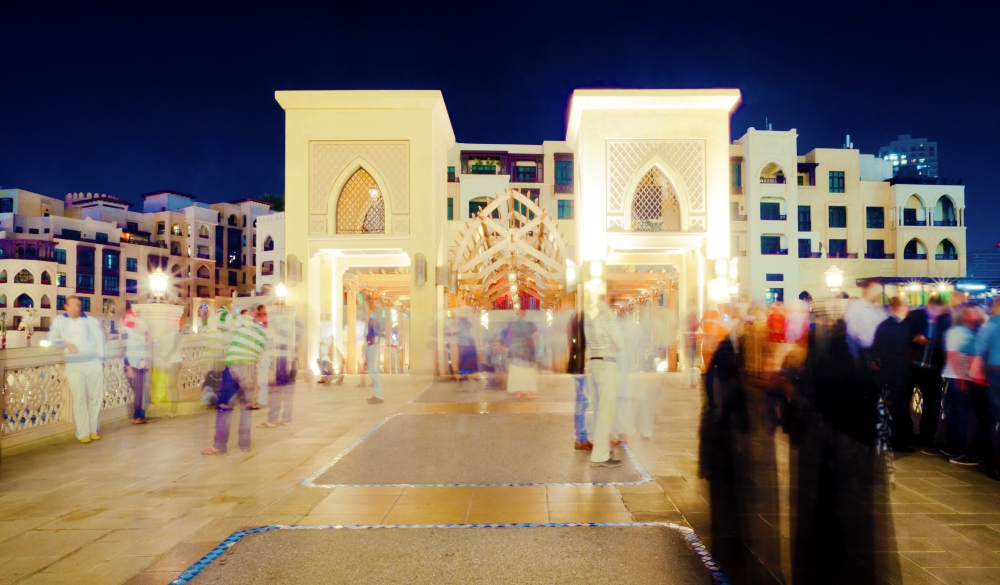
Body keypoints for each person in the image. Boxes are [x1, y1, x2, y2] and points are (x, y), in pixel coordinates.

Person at [203, 310, 267, 454]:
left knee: (224, 407)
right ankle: (244, 444)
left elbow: (219, 317)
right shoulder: (263, 335)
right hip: (250, 370)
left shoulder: (243, 323)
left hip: (234, 367)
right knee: (245, 409)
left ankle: (219, 445)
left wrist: (225, 310)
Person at [47, 295, 107, 443]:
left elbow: (100, 340)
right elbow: (51, 339)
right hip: (74, 366)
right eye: (73, 305)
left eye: (79, 305)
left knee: (95, 398)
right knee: (79, 399)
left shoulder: (91, 321)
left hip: (93, 364)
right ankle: (83, 433)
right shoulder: (59, 321)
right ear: (66, 307)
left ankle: (93, 430)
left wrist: (102, 360)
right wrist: (66, 343)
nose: (77, 308)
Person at [904, 295, 952, 451]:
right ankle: (906, 433)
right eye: (932, 310)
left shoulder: (945, 321)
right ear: (928, 305)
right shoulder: (915, 316)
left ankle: (926, 436)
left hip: (933, 369)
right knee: (904, 400)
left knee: (932, 404)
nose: (934, 314)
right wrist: (914, 339)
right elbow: (903, 336)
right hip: (912, 367)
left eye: (938, 311)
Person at [584, 294, 626, 467]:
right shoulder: (606, 317)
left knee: (599, 410)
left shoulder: (588, 318)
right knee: (605, 412)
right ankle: (600, 455)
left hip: (594, 363)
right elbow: (620, 342)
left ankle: (601, 449)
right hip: (607, 364)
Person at [843, 280, 887, 444]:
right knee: (861, 392)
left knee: (874, 392)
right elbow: (852, 334)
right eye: (875, 289)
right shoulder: (856, 307)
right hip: (862, 354)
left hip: (875, 354)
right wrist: (855, 357)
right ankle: (858, 429)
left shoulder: (877, 310)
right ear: (868, 289)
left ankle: (870, 429)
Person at [942, 304, 983, 465]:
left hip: (956, 376)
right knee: (963, 415)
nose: (977, 312)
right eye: (973, 310)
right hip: (960, 377)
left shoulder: (959, 331)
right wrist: (961, 378)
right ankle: (961, 452)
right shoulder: (959, 332)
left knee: (956, 414)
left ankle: (954, 448)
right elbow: (952, 355)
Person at [872, 297, 915, 451]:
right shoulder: (892, 326)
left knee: (897, 407)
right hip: (896, 373)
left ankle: (897, 439)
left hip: (896, 372)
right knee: (898, 407)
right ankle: (897, 441)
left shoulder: (890, 325)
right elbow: (885, 350)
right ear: (898, 307)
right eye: (905, 305)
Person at [973, 299, 1000, 480]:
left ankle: (996, 463)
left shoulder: (991, 324)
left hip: (996, 372)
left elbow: (978, 349)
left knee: (997, 418)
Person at [122, 309, 152, 424]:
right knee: (139, 390)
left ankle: (140, 415)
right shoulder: (130, 333)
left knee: (140, 390)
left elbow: (144, 350)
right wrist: (128, 366)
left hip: (140, 365)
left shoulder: (139, 335)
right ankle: (138, 416)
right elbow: (125, 350)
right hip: (133, 365)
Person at [507, 310, 539, 400]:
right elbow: (535, 335)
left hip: (515, 350)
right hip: (526, 351)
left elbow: (510, 337)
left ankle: (518, 392)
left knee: (516, 371)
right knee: (528, 372)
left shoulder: (514, 325)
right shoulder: (530, 324)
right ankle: (529, 393)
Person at [365, 303, 384, 404]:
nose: (371, 320)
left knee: (374, 373)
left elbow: (373, 339)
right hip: (370, 348)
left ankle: (378, 396)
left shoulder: (374, 329)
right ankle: (377, 395)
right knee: (372, 372)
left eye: (373, 319)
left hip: (372, 348)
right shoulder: (369, 328)